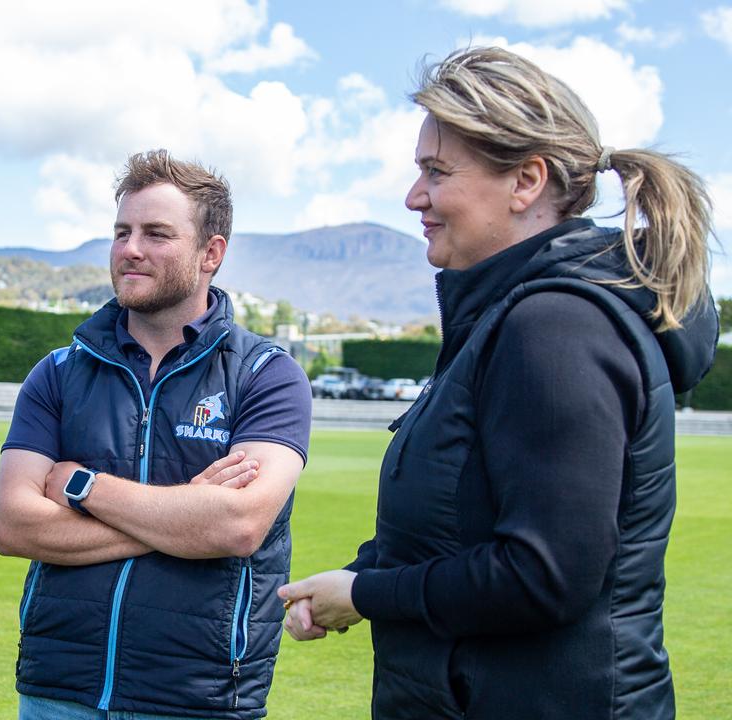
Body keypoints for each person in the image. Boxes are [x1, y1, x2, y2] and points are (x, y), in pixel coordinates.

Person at [278, 46, 718, 719]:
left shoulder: (555, 327)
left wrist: (366, 595)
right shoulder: (507, 315)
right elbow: (459, 525)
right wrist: (361, 578)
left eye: (436, 171)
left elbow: (545, 575)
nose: (413, 196)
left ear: (526, 182)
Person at [0, 149, 312, 719]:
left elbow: (237, 524)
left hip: (197, 696)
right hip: (58, 691)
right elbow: (14, 525)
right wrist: (183, 519)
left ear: (211, 253)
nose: (130, 249)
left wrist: (83, 488)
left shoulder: (267, 375)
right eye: (122, 231)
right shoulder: (60, 371)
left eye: (157, 233)